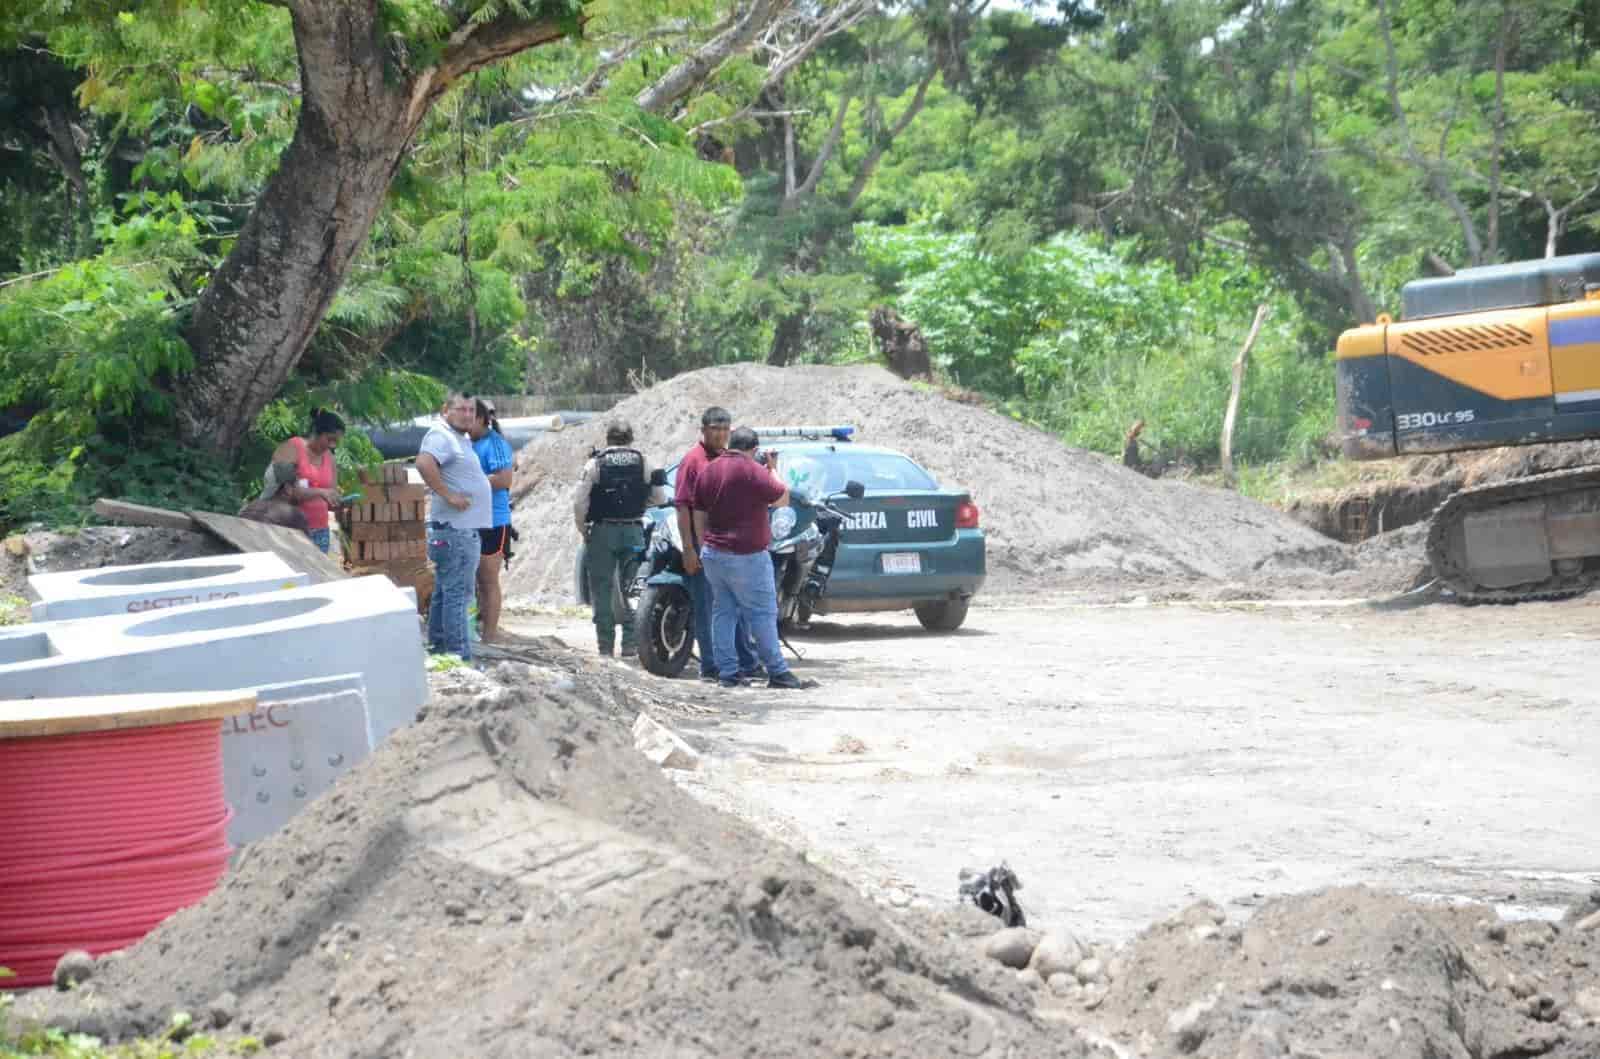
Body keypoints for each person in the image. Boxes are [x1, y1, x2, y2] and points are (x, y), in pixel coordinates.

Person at [684, 426, 816, 691]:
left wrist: (702, 545)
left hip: (713, 554)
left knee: (723, 611)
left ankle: (728, 674)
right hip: (747, 555)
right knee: (762, 613)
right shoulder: (752, 470)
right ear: (753, 450)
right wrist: (773, 467)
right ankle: (778, 672)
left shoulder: (709, 470)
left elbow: (698, 512)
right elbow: (782, 498)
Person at [675, 407, 761, 684]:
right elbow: (683, 508)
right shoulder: (692, 461)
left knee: (733, 609)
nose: (720, 433)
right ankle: (710, 666)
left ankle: (742, 662)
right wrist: (690, 549)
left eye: (725, 429)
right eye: (715, 428)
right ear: (703, 430)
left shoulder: (728, 457)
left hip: (731, 547)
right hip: (706, 548)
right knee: (708, 608)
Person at [573, 419, 665, 657]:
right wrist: (639, 507)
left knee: (602, 590)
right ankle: (630, 644)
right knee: (633, 589)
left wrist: (583, 528)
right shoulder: (644, 461)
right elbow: (659, 497)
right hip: (633, 531)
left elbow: (580, 501)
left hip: (602, 532)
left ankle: (605, 646)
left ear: (608, 439)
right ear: (630, 438)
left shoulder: (595, 463)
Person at [416, 392, 491, 659]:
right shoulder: (441, 435)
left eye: (472, 410)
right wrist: (448, 494)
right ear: (446, 409)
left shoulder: (459, 438)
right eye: (462, 409)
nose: (468, 415)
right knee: (458, 595)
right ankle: (459, 656)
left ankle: (438, 648)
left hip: (457, 530)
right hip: (455, 531)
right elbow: (424, 463)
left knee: (445, 593)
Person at [469, 398, 515, 643]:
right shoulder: (468, 443)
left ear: (480, 419)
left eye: (469, 420)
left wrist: (470, 482)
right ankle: (475, 631)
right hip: (471, 520)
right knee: (474, 580)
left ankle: (489, 636)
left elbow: (504, 479)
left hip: (493, 522)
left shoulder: (496, 445)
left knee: (488, 580)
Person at [269, 409, 345, 552]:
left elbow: (330, 496)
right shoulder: (291, 447)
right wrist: (322, 492)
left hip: (320, 531)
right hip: (290, 529)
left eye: (336, 442)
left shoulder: (330, 459)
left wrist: (338, 502)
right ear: (316, 431)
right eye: (329, 439)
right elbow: (287, 491)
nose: (332, 445)